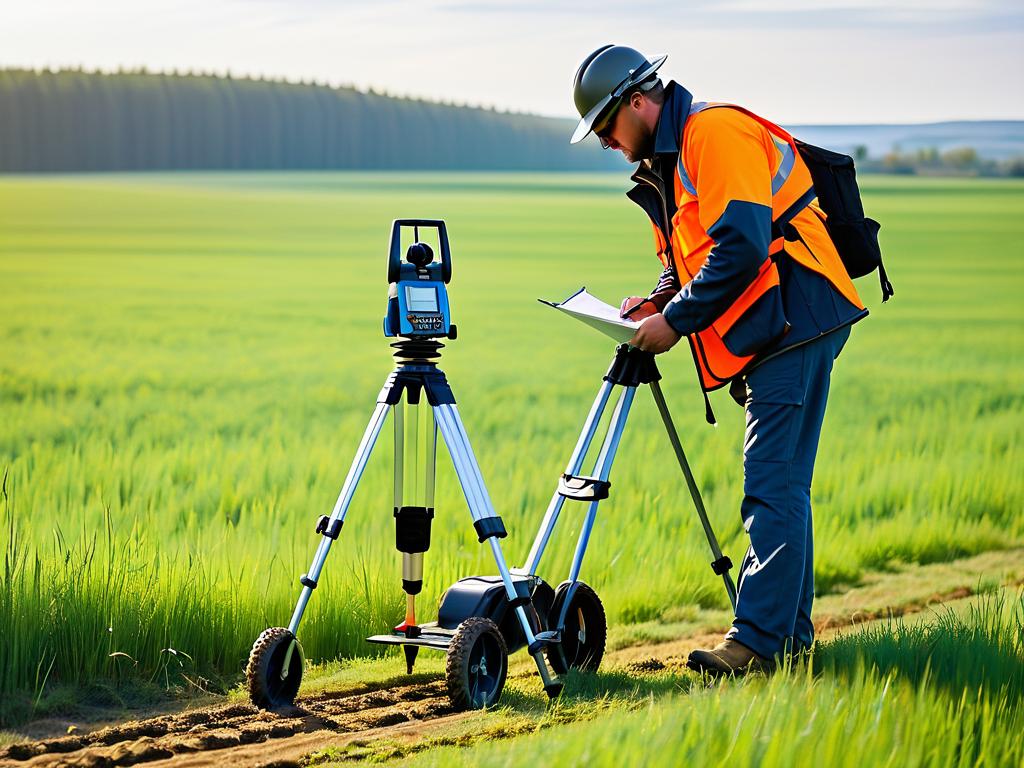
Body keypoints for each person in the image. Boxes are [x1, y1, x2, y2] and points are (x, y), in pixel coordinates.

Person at [570, 45, 868, 675]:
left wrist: (673, 323)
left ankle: (758, 644)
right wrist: (653, 301)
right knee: (783, 483)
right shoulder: (672, 160)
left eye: (606, 131)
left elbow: (740, 247)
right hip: (784, 322)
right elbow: (696, 258)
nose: (611, 147)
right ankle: (788, 641)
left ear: (638, 101)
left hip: (799, 314)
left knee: (770, 484)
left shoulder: (714, 133)